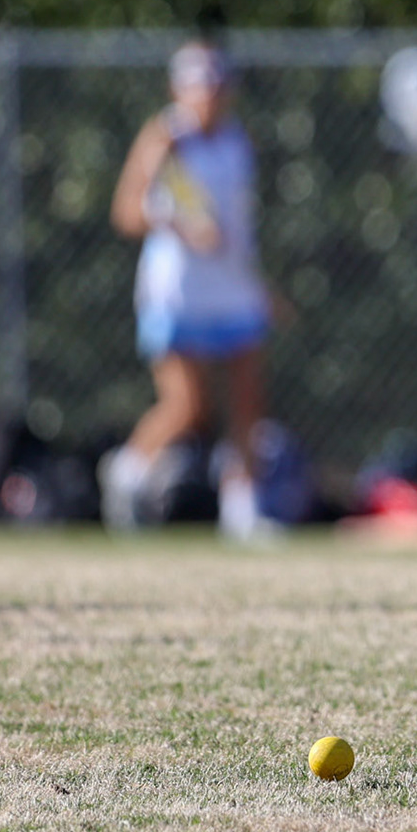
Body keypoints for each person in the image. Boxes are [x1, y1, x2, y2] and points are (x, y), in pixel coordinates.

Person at [105, 41, 275, 541]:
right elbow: (128, 213)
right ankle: (128, 474)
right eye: (201, 87)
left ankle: (243, 510)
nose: (210, 97)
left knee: (248, 403)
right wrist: (179, 222)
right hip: (177, 292)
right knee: (187, 405)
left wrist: (259, 283)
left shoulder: (236, 141)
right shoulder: (165, 138)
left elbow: (238, 226)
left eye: (217, 87)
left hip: (234, 288)